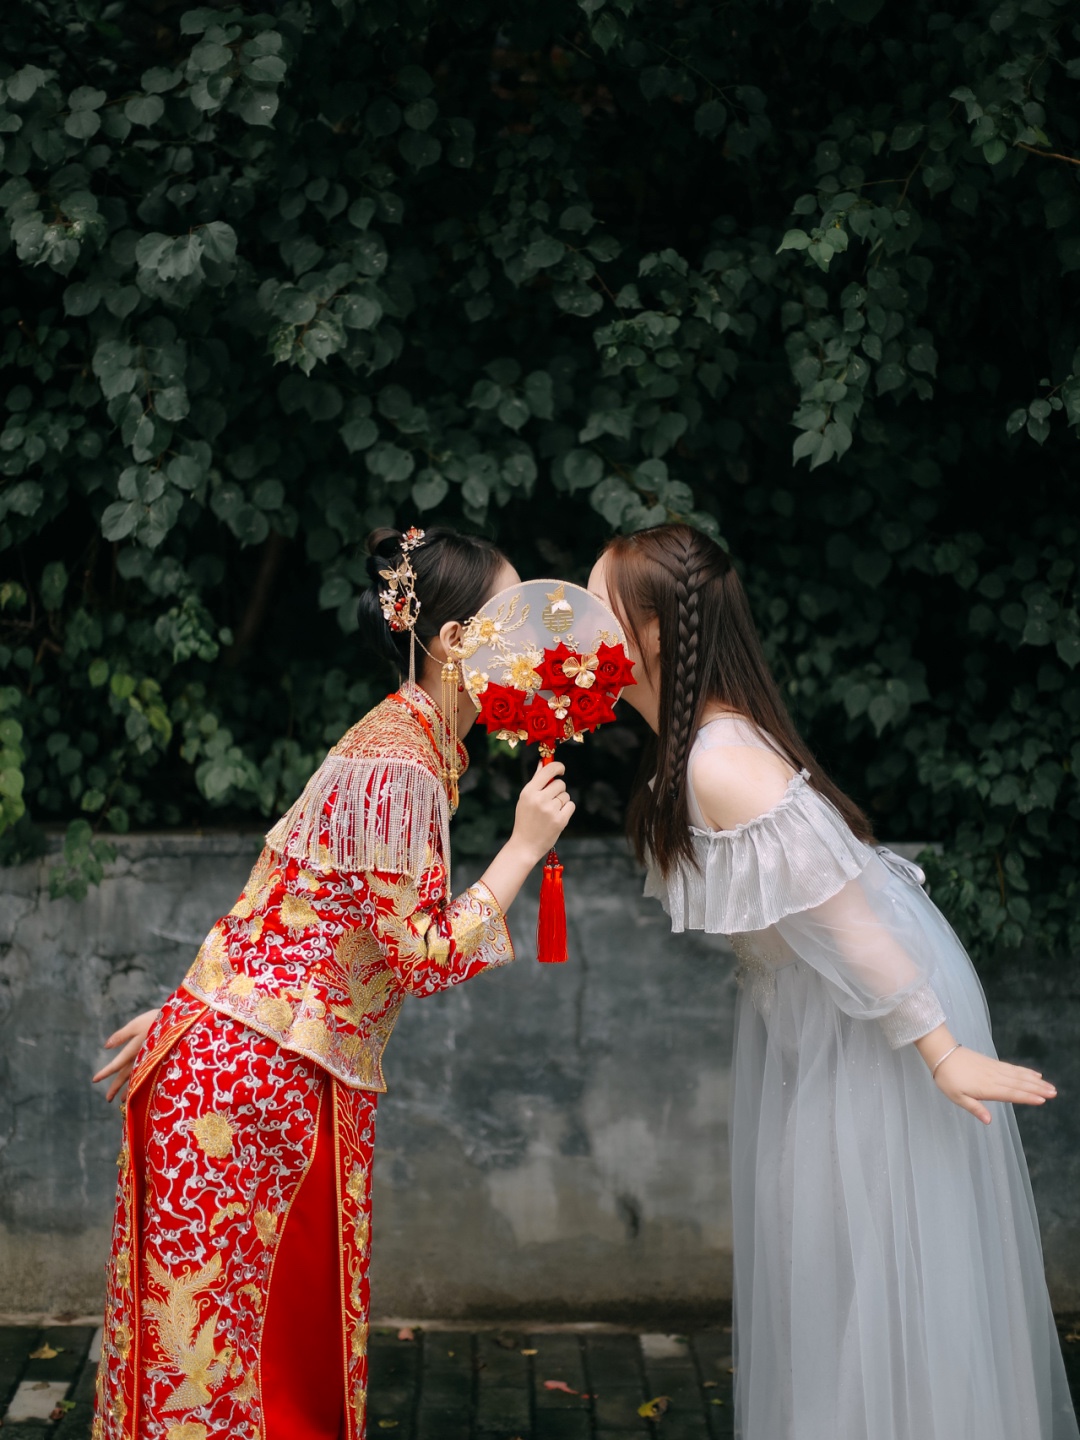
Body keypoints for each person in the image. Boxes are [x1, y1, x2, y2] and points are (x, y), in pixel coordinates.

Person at [589, 522, 1078, 1440]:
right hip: (834, 1022)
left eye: (595, 607)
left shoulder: (719, 763)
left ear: (651, 634)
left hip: (881, 1027)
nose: (578, 626)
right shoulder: (697, 748)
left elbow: (856, 926)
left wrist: (942, 1053)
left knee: (868, 1283)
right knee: (833, 1278)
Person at [91, 525, 574, 1440]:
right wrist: (522, 850)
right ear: (452, 641)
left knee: (242, 1351)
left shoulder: (404, 742)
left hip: (252, 1066)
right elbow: (419, 957)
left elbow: (280, 908)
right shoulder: (400, 761)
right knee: (227, 1362)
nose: (528, 639)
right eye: (510, 616)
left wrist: (198, 1013)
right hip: (258, 1085)